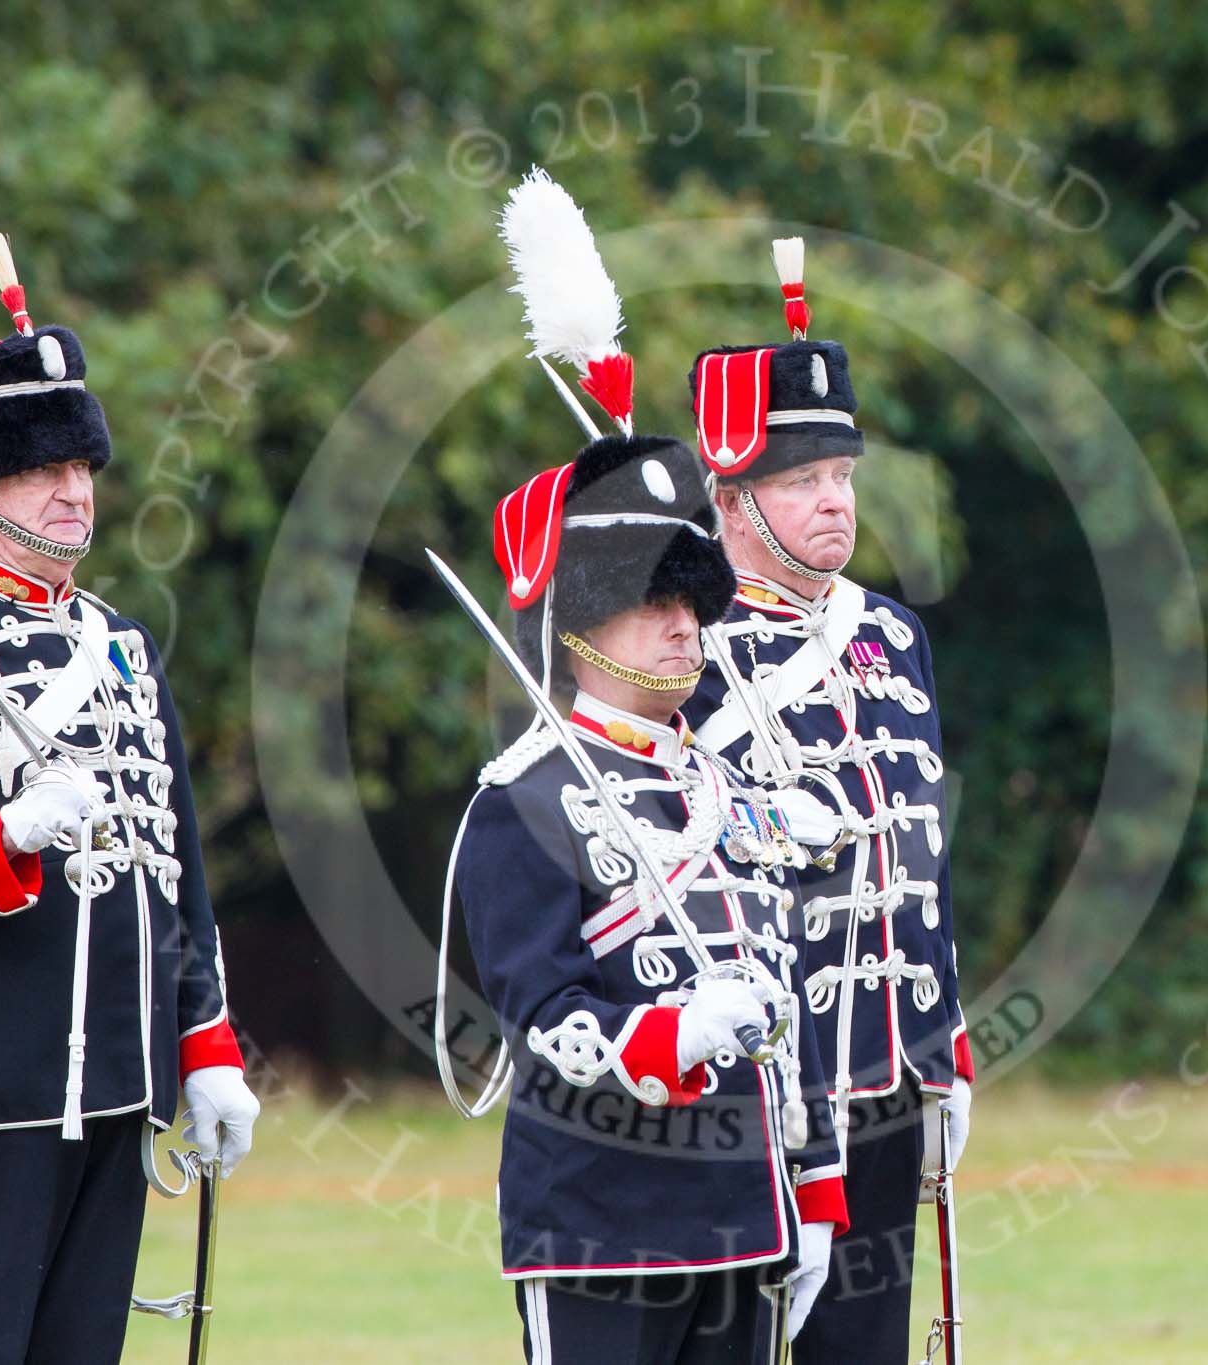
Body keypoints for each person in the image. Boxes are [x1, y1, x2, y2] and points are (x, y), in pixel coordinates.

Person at [0, 238, 258, 1364]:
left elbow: (176, 871)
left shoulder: (120, 646)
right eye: (42, 472)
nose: (75, 492)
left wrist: (205, 1046)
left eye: (82, 469)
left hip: (122, 1083)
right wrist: (8, 833)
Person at [443, 426, 849, 1363]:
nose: (684, 627)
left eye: (692, 602)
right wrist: (678, 1036)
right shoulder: (523, 798)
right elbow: (542, 1017)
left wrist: (816, 1191)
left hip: (747, 1217)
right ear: (582, 622)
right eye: (655, 602)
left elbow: (790, 999)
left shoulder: (728, 792)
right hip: (599, 1221)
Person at [681, 241, 969, 1363]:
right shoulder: (680, 646)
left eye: (842, 477)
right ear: (730, 496)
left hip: (890, 1072)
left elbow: (923, 858)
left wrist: (944, 1048)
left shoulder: (893, 635)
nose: (833, 502)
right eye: (801, 481)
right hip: (755, 1079)